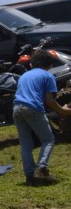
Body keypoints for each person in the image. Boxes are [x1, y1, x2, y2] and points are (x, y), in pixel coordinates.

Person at [13, 50, 71, 185]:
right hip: (33, 108)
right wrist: (63, 111)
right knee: (48, 139)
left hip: (16, 109)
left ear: (32, 64)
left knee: (26, 143)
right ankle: (41, 169)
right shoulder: (48, 76)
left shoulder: (24, 75)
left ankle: (29, 175)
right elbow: (50, 101)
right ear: (50, 65)